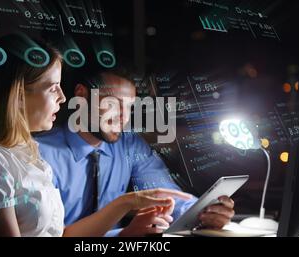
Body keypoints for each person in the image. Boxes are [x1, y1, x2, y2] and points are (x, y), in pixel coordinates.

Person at [0, 34, 191, 237]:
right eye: (52, 87)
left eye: (128, 107)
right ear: (18, 94)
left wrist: (127, 219)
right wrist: (125, 204)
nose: (62, 98)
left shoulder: (29, 155)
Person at [33, 67, 236, 237]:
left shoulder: (128, 144)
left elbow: (163, 193)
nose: (124, 117)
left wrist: (204, 211)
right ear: (81, 95)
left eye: (129, 108)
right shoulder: (39, 152)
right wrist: (123, 235)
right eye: (113, 104)